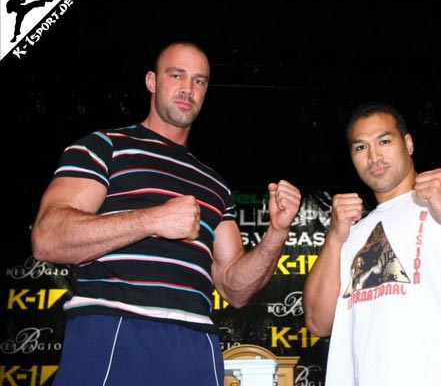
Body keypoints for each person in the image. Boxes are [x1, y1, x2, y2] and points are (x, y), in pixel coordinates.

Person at [30, 41, 301, 386]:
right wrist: (152, 219)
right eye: (177, 75)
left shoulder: (215, 184)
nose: (188, 89)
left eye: (199, 81)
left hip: (196, 344)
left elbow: (235, 288)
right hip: (117, 328)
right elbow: (47, 238)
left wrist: (277, 232)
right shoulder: (104, 146)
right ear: (152, 81)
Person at [303, 101, 441, 386]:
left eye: (384, 141)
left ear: (408, 144)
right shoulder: (352, 232)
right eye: (361, 147)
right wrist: (335, 236)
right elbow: (317, 322)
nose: (374, 156)